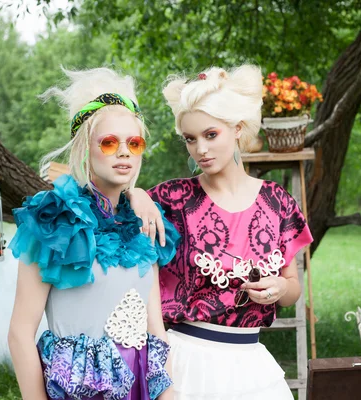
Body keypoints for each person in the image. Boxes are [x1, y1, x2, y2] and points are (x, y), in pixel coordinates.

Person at [127, 65, 314, 400]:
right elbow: (103, 209)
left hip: (252, 363)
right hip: (188, 360)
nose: (201, 149)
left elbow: (293, 289)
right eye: (190, 139)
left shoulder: (278, 202)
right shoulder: (170, 200)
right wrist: (134, 193)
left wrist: (281, 287)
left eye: (210, 135)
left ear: (237, 128)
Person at [7, 67, 179, 400]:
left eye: (134, 142)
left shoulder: (146, 223)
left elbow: (155, 332)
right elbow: (19, 334)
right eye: (110, 142)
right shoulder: (56, 221)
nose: (124, 152)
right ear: (87, 146)